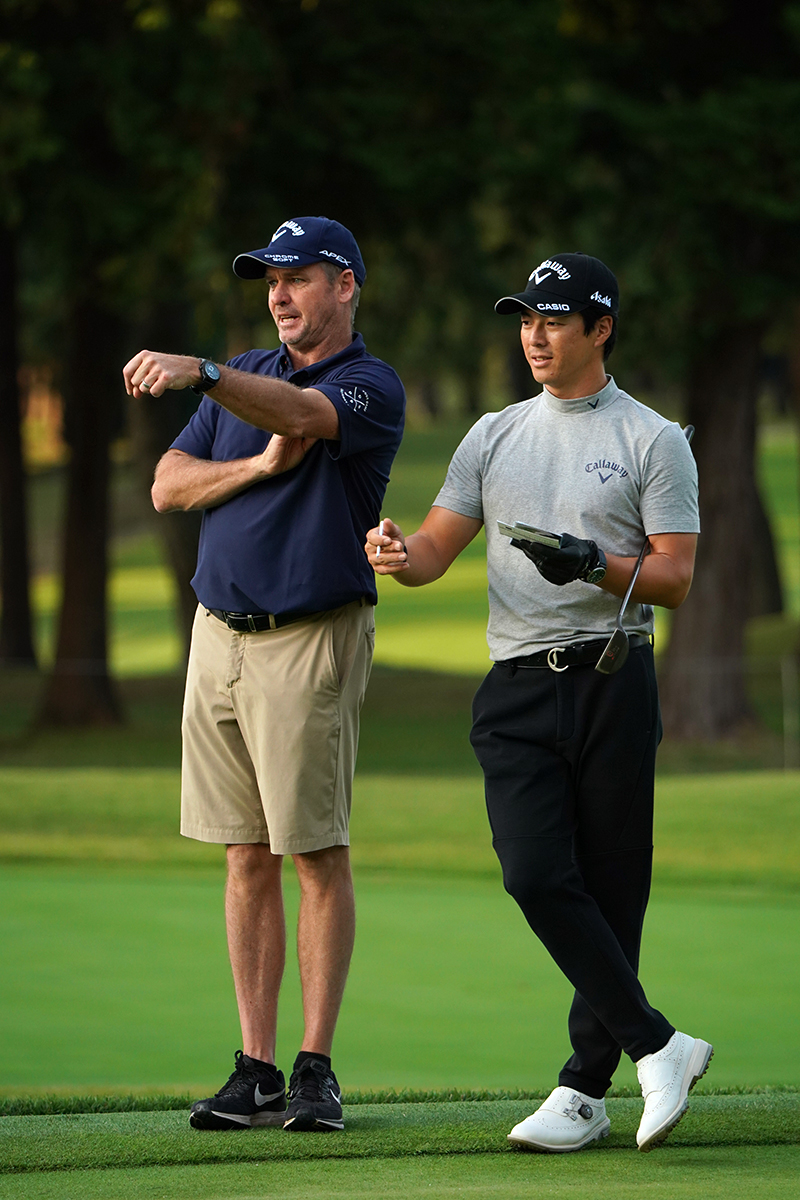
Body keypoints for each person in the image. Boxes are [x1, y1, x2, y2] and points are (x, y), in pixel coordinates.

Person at [365, 252, 711, 1154]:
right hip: (517, 687)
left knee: (613, 888)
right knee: (533, 873)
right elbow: (435, 551)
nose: (534, 336)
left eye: (553, 320)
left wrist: (592, 563)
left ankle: (584, 1091)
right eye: (525, 320)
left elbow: (674, 579)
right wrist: (398, 554)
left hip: (613, 681)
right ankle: (660, 1046)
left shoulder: (652, 438)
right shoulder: (493, 434)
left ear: (601, 328)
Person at [123, 216, 405, 1133]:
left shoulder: (368, 384)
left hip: (310, 638)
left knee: (314, 852)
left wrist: (205, 374)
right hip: (219, 637)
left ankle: (315, 1068)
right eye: (270, 280)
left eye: (298, 277)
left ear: (345, 286)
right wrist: (255, 466)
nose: (279, 294)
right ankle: (256, 1069)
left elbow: (307, 418)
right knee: (245, 855)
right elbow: (168, 484)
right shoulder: (249, 373)